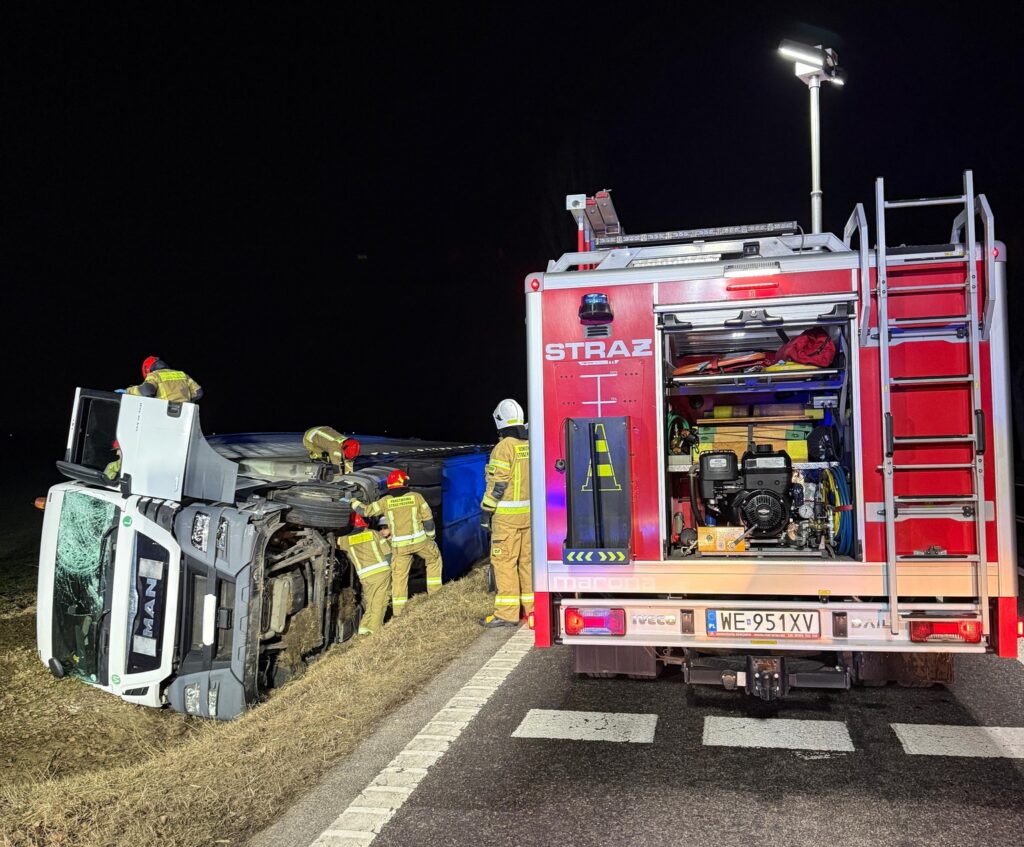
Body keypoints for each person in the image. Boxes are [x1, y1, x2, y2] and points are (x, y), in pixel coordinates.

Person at [351, 469, 442, 615]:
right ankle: (436, 595)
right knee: (434, 559)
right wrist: (431, 537)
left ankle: (399, 612)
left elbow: (365, 512)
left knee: (399, 578)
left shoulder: (385, 501)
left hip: (399, 548)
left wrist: (352, 501)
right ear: (405, 482)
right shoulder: (416, 497)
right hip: (420, 542)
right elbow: (428, 520)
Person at [480, 398, 532, 628]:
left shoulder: (503, 448)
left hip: (506, 519)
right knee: (527, 562)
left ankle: (507, 613)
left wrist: (486, 511)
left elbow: (498, 485)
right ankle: (532, 610)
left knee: (504, 562)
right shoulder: (530, 444)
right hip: (529, 517)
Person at [336, 513, 392, 635]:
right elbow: (388, 554)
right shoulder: (373, 534)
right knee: (379, 603)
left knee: (370, 604)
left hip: (364, 577)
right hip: (381, 573)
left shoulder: (344, 540)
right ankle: (374, 634)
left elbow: (336, 544)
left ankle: (363, 631)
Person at [125, 356, 203, 402]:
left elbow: (147, 391)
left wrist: (128, 391)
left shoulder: (155, 375)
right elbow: (198, 392)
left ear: (147, 369)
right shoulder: (182, 374)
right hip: (185, 415)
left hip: (163, 414)